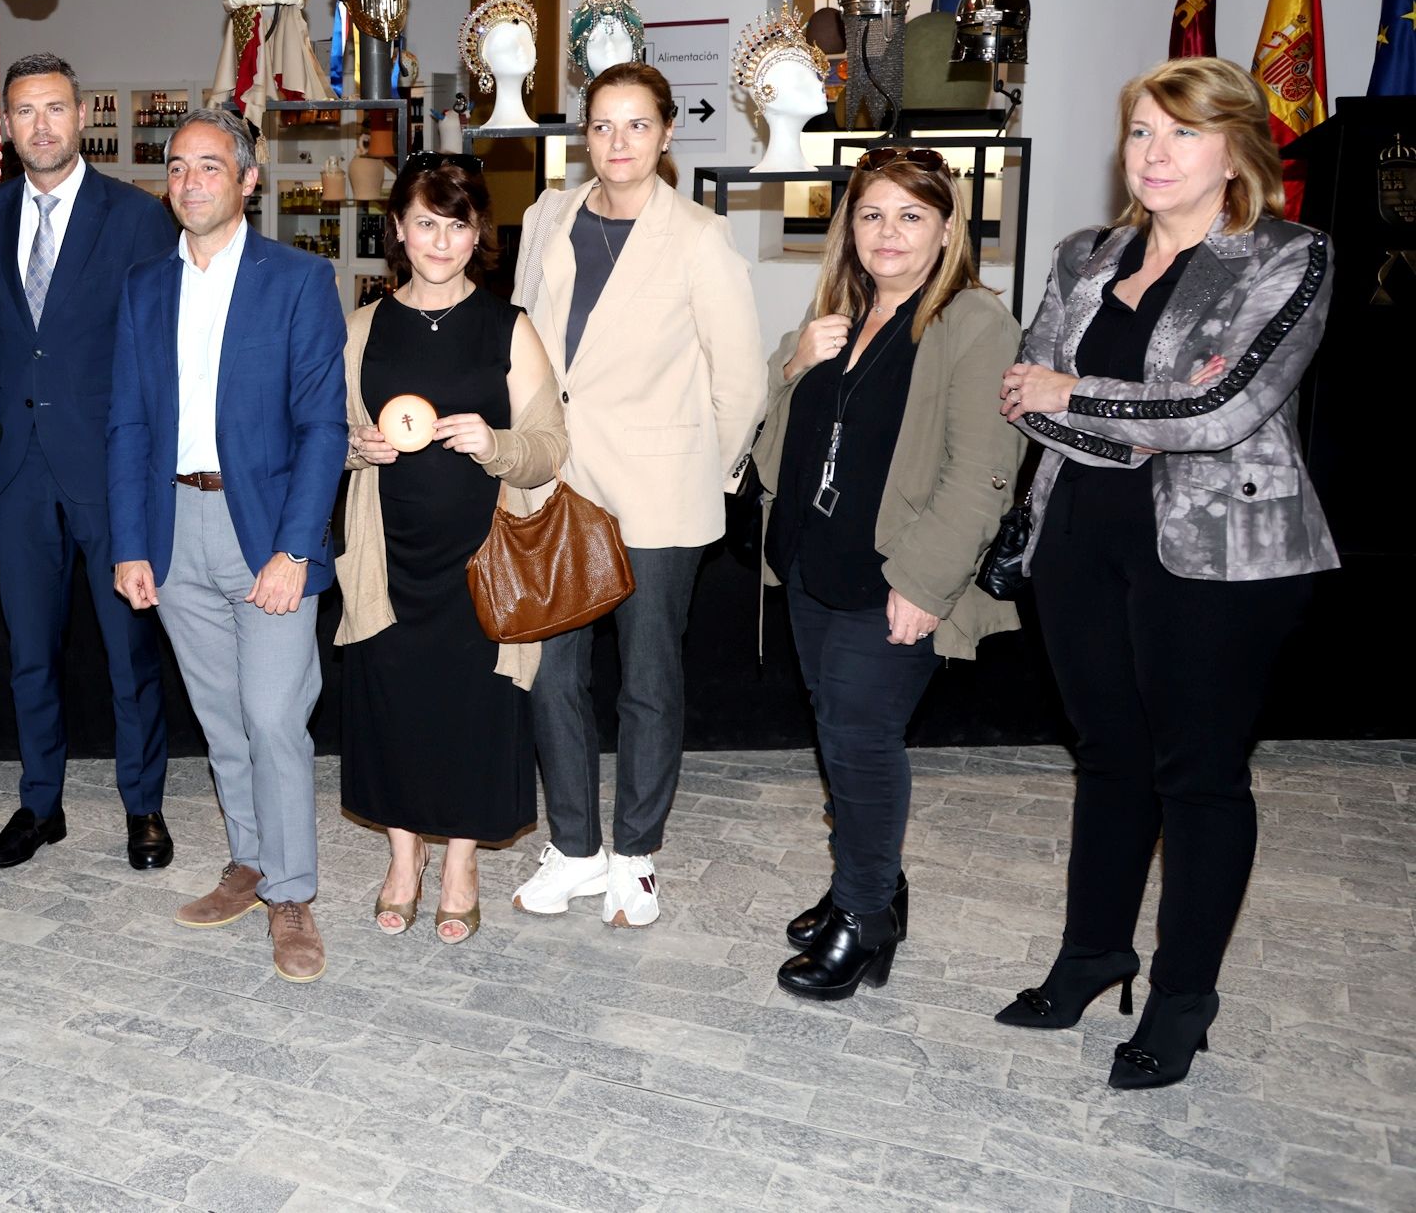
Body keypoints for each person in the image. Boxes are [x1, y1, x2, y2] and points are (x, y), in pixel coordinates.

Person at [996, 57, 1336, 1090]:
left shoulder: (1285, 257)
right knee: (1106, 756)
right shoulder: (1082, 254)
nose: (1151, 153)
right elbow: (1024, 390)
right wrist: (1140, 415)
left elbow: (1227, 411)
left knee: (1195, 775)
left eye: (1177, 133)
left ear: (1232, 147)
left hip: (1222, 555)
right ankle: (1092, 951)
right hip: (1078, 536)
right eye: (1139, 131)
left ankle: (1184, 996)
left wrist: (1085, 394)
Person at [751, 148, 1021, 998]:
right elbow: (774, 446)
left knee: (862, 742)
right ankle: (865, 884)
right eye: (871, 214)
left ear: (947, 228)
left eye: (911, 214)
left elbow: (984, 470)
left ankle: (865, 920)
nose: (888, 232)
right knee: (837, 733)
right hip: (810, 563)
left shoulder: (975, 323)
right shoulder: (839, 311)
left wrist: (925, 584)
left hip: (895, 578)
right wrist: (794, 365)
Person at [507, 60, 765, 927]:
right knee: (553, 677)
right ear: (585, 134)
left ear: (664, 136)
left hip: (657, 495)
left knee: (649, 681)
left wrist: (702, 471)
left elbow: (740, 382)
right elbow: (521, 345)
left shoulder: (698, 236)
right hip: (556, 485)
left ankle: (637, 855)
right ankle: (574, 847)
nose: (618, 143)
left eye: (637, 126)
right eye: (602, 125)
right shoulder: (548, 215)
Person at [109, 108, 346, 983]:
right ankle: (248, 861)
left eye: (210, 166)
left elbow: (324, 428)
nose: (190, 182)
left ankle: (290, 894)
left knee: (276, 716)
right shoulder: (143, 287)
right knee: (221, 719)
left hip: (268, 532)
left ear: (248, 180)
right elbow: (128, 422)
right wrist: (132, 543)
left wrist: (295, 551)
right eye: (176, 168)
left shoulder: (298, 280)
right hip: (176, 532)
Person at [0, 54, 182, 874]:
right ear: (6, 126)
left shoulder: (138, 216)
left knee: (127, 651)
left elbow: (161, 346)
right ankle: (40, 804)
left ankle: (142, 804)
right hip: (16, 470)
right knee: (30, 652)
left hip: (111, 465)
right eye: (23, 112)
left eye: (54, 109)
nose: (40, 125)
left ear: (82, 116)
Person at [337, 153, 564, 947]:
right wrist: (358, 448)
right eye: (424, 222)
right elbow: (334, 436)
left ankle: (461, 863)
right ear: (397, 229)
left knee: (472, 712)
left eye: (456, 223)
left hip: (482, 561)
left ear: (478, 235)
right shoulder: (365, 324)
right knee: (394, 704)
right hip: (389, 558)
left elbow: (549, 449)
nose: (439, 239)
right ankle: (403, 861)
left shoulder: (510, 325)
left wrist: (494, 441)